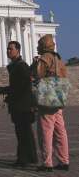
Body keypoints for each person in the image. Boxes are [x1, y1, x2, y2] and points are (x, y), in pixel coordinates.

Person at [31, 34, 69, 172]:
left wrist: (36, 65)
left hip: (47, 99)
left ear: (42, 46)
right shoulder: (58, 58)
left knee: (46, 132)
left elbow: (38, 74)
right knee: (60, 131)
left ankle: (47, 163)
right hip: (59, 98)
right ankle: (64, 161)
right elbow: (64, 75)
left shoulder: (44, 58)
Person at [0, 41, 38, 168]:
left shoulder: (21, 66)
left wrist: (6, 90)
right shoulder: (16, 65)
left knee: (22, 133)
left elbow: (22, 86)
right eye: (7, 49)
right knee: (25, 133)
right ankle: (31, 158)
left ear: (18, 50)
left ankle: (23, 160)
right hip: (21, 104)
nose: (8, 51)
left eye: (11, 49)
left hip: (22, 105)